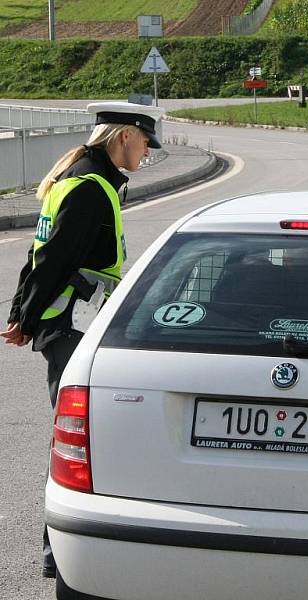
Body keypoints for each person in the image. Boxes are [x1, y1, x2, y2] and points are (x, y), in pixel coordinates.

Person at [0, 101, 164, 578]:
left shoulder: (79, 179)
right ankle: (60, 557)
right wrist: (25, 317)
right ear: (122, 137)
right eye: (144, 143)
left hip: (69, 324)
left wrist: (22, 315)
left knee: (81, 445)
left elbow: (39, 252)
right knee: (78, 449)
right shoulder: (91, 189)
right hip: (74, 327)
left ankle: (64, 555)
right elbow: (53, 260)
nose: (148, 153)